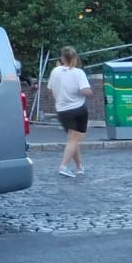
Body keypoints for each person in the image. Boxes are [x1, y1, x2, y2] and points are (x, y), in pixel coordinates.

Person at [48, 45, 93, 177]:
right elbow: (86, 91)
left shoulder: (55, 71)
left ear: (62, 58)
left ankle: (80, 166)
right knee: (75, 139)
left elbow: (50, 89)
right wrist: (89, 92)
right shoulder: (78, 73)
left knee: (72, 139)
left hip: (62, 110)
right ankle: (63, 166)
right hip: (78, 109)